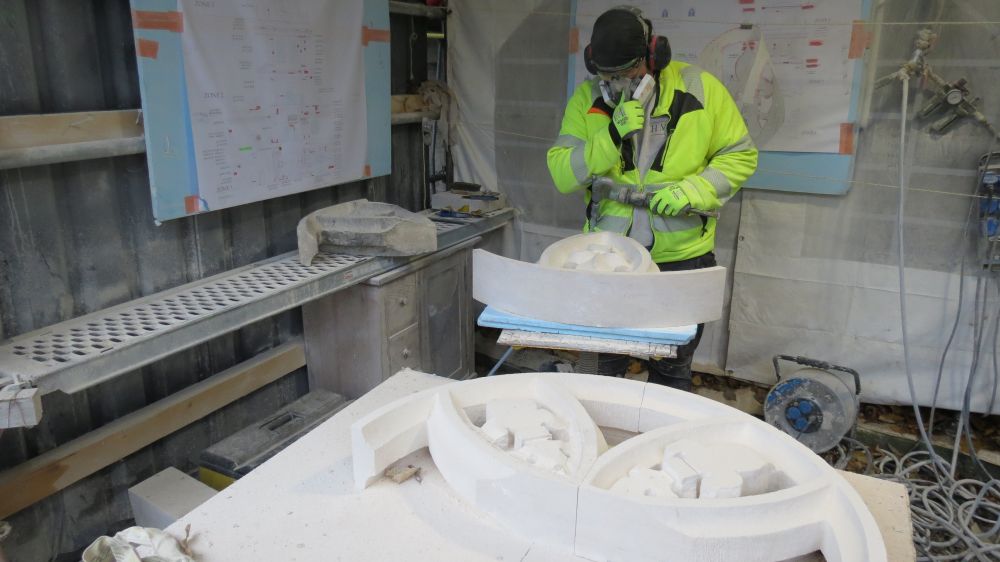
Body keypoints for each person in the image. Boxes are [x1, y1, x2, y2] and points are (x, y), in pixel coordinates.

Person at [546, 5, 758, 390]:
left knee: (671, 366)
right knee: (603, 364)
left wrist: (692, 190)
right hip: (609, 259)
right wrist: (610, 135)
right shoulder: (586, 99)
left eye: (629, 73)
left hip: (680, 259)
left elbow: (741, 154)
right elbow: (563, 174)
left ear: (653, 56)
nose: (619, 83)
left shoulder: (700, 89)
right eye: (609, 76)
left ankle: (662, 444)